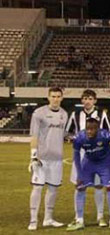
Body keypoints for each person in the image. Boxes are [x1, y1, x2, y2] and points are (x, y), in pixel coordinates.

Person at [66, 118, 110, 232]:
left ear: (98, 129)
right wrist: (80, 174)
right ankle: (80, 220)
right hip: (89, 162)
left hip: (105, 163)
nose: (90, 131)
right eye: (88, 129)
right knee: (80, 187)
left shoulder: (105, 134)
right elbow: (76, 157)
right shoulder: (80, 137)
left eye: (92, 129)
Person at [66, 89, 110, 228]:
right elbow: (67, 132)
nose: (87, 101)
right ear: (82, 100)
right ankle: (79, 217)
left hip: (97, 154)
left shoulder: (102, 114)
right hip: (80, 154)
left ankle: (100, 217)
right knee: (80, 185)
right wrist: (74, 138)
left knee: (98, 185)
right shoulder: (75, 114)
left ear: (95, 101)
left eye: (90, 98)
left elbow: (108, 132)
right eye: (85, 98)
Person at [28, 87, 68, 231]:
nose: (56, 99)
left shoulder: (64, 114)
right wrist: (33, 156)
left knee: (53, 189)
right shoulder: (39, 113)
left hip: (57, 158)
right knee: (37, 188)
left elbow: (63, 135)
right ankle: (33, 220)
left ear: (62, 98)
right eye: (53, 96)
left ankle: (48, 219)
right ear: (48, 97)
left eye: (58, 96)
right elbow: (34, 136)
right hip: (42, 158)